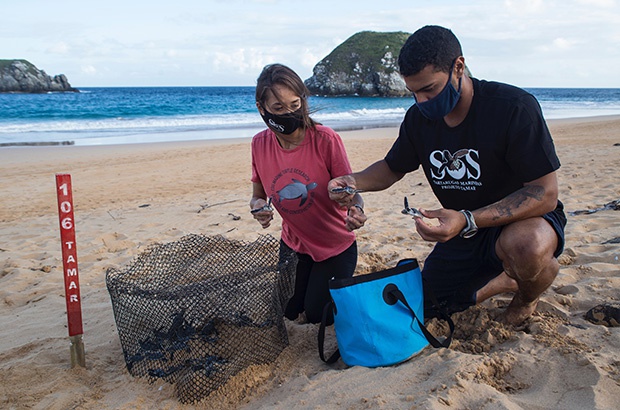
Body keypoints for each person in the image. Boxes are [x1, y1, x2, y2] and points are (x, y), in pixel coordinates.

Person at [329, 25, 566, 326]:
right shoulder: (419, 119)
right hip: (463, 230)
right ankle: (505, 281)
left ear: (458, 67)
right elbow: (392, 168)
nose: (421, 101)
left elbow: (544, 193)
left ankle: (527, 297)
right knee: (428, 307)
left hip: (521, 221)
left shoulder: (513, 108)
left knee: (526, 246)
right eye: (413, 92)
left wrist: (467, 218)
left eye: (429, 89)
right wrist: (352, 181)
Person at [250, 63, 367, 324]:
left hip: (335, 246)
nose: (289, 113)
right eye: (278, 108)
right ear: (262, 109)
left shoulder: (325, 139)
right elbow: (257, 195)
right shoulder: (259, 144)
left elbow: (353, 191)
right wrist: (259, 208)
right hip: (293, 245)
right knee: (288, 311)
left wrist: (356, 209)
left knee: (317, 316)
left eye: (294, 104)